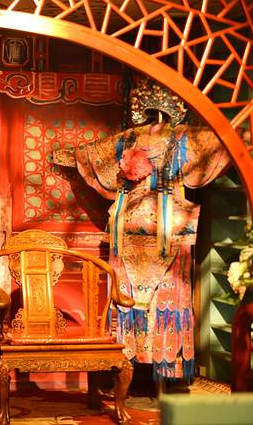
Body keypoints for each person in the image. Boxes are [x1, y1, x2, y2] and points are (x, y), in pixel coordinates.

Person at [53, 78, 231, 381]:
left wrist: (67, 154)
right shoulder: (162, 138)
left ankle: (139, 367)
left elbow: (87, 153)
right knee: (140, 298)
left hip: (151, 231)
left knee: (155, 298)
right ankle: (139, 367)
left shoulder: (138, 138)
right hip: (149, 232)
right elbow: (221, 143)